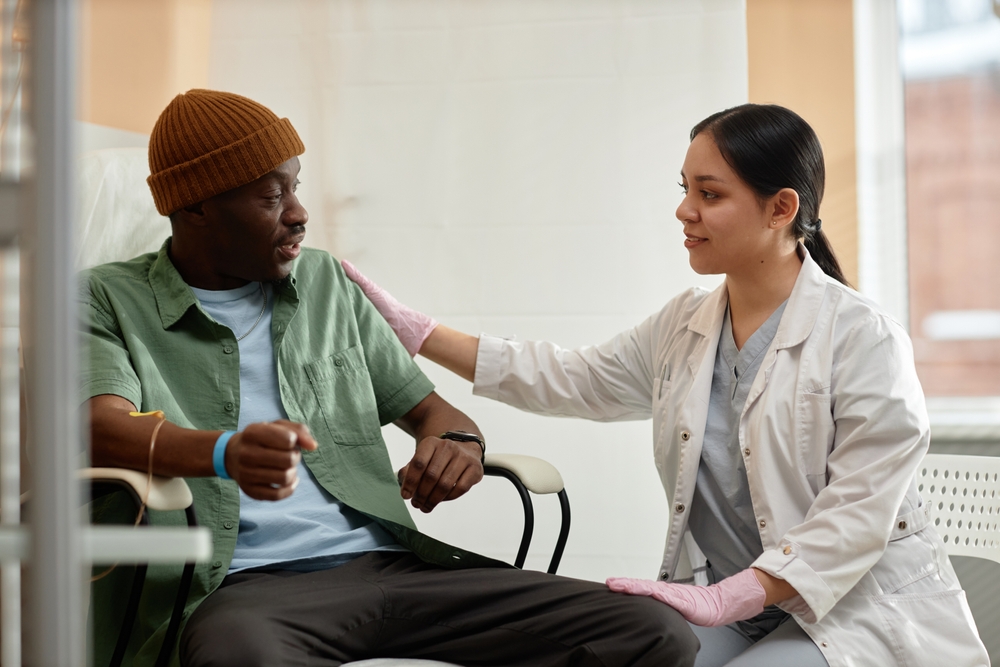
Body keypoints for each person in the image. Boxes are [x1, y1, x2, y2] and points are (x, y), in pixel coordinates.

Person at [344, 104, 991, 667]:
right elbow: (569, 377)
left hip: (853, 611)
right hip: (737, 611)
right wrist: (418, 332)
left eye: (709, 194)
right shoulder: (685, 325)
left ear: (781, 208)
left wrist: (731, 594)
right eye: (685, 189)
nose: (684, 210)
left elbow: (858, 512)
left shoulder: (863, 337)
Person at [81, 89, 700, 667]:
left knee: (652, 631)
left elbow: (430, 411)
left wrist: (459, 444)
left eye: (296, 188)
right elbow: (97, 428)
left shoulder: (323, 282)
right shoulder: (105, 298)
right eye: (271, 198)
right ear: (194, 207)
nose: (299, 214)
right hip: (248, 588)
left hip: (393, 565)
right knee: (242, 657)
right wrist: (225, 452)